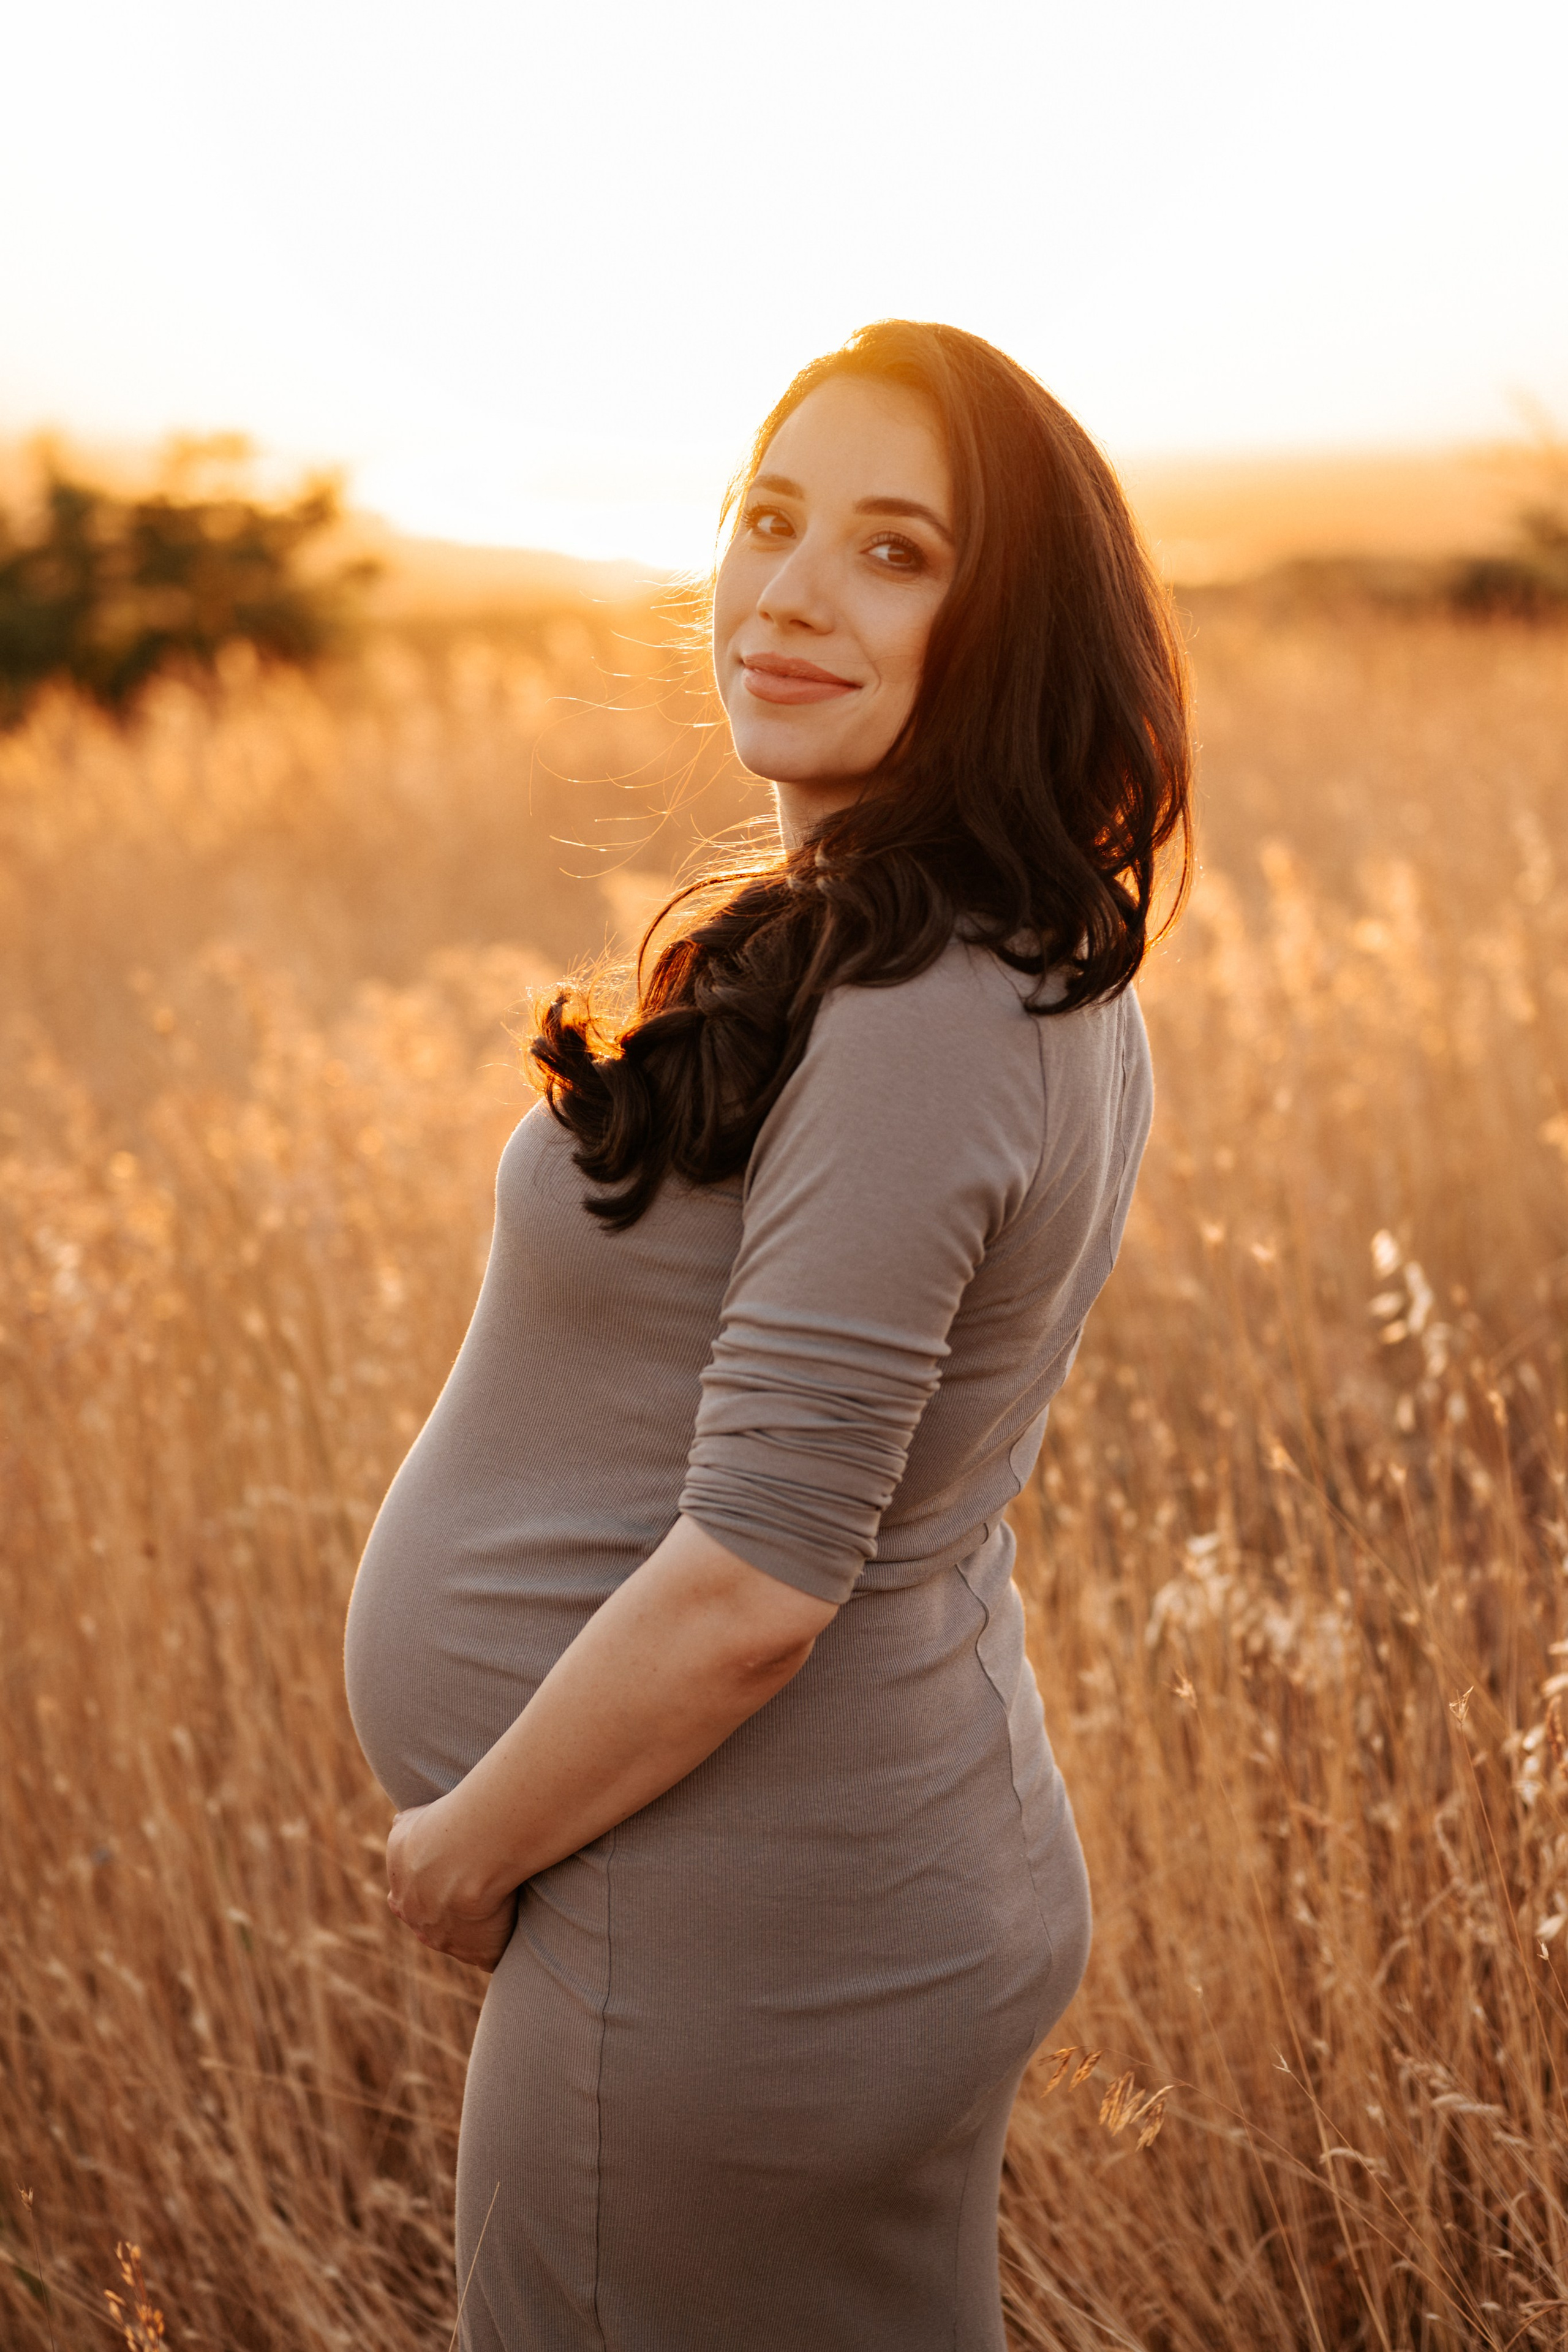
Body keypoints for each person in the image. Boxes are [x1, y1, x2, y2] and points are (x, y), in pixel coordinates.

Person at [344, 317, 1192, 2351]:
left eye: (896, 552)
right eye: (769, 518)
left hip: (724, 1942)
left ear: (1012, 631)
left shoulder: (929, 1011)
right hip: (807, 1897)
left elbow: (755, 1583)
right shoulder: (979, 948)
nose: (792, 591)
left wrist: (473, 1847)